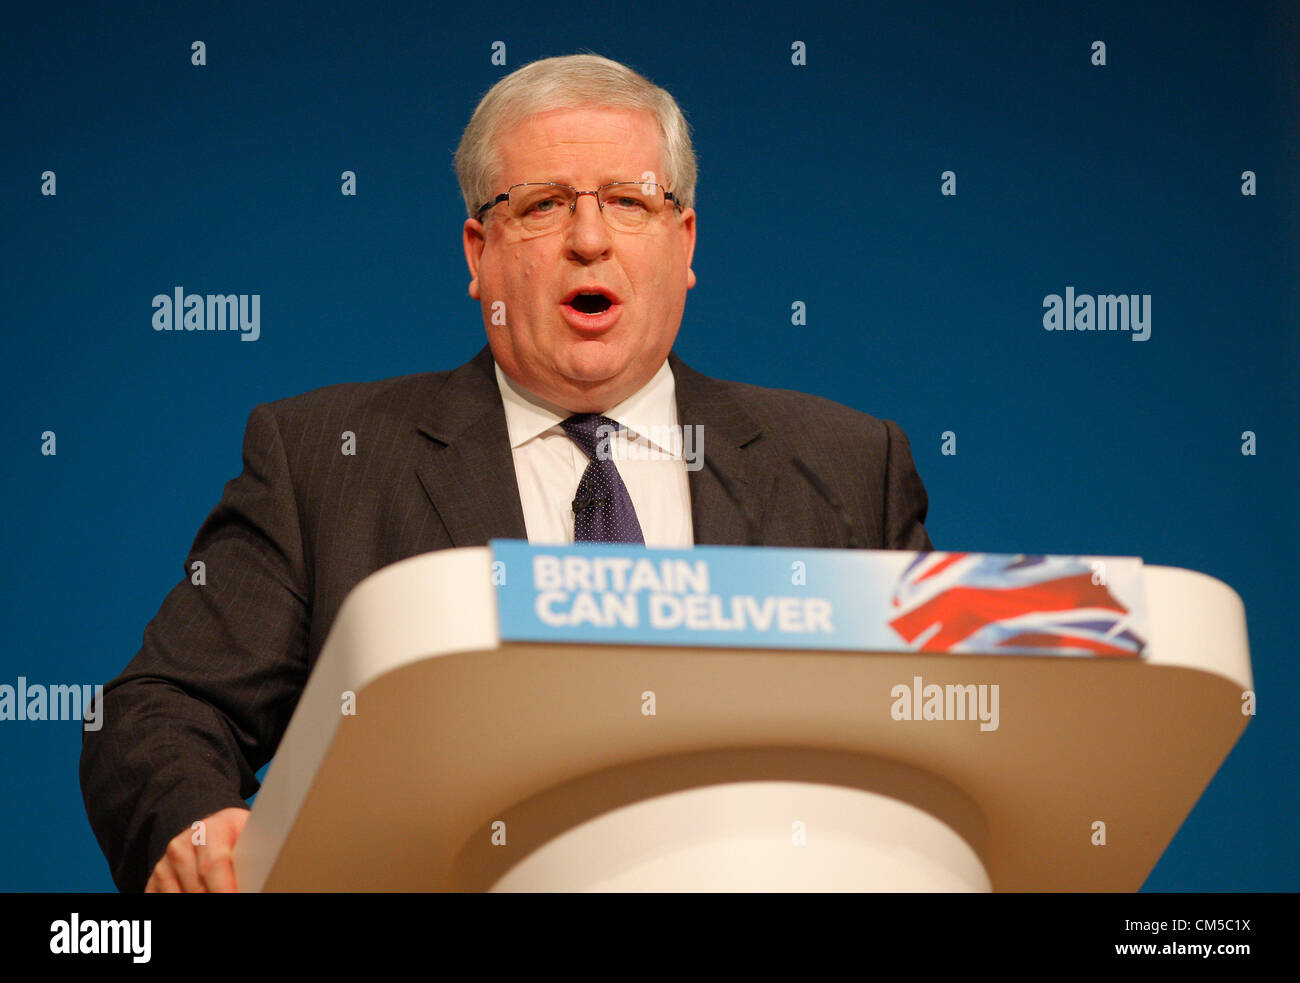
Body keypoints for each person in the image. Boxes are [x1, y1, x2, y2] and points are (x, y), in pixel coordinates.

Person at [80, 53, 933, 893]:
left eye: (630, 202)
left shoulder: (847, 465)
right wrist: (195, 827)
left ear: (684, 243)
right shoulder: (322, 460)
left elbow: (935, 740)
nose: (589, 240)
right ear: (479, 251)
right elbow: (156, 710)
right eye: (544, 205)